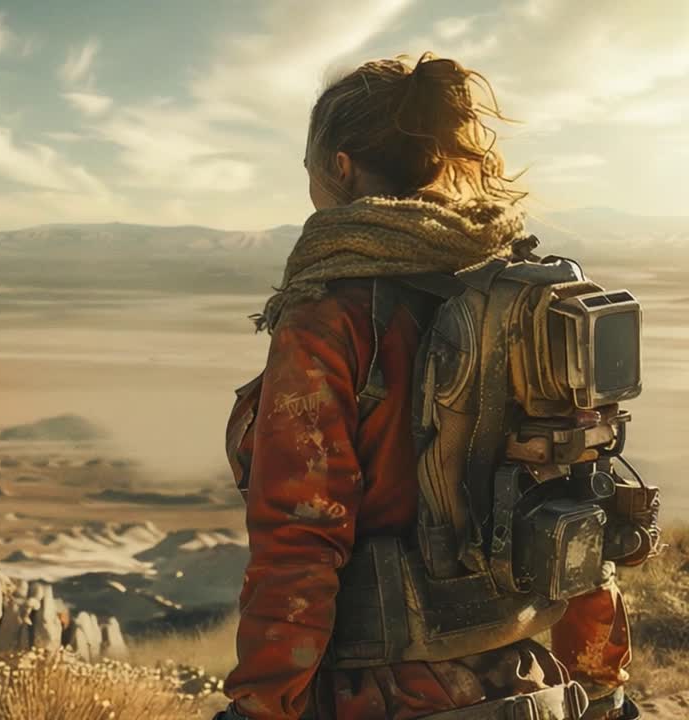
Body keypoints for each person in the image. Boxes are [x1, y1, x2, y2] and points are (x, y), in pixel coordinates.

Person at [215, 53, 635, 720]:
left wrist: (261, 706)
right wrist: (602, 683)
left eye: (309, 169)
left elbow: (300, 539)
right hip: (530, 685)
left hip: (378, 695)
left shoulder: (330, 316)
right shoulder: (528, 301)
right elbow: (581, 496)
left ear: (341, 167)